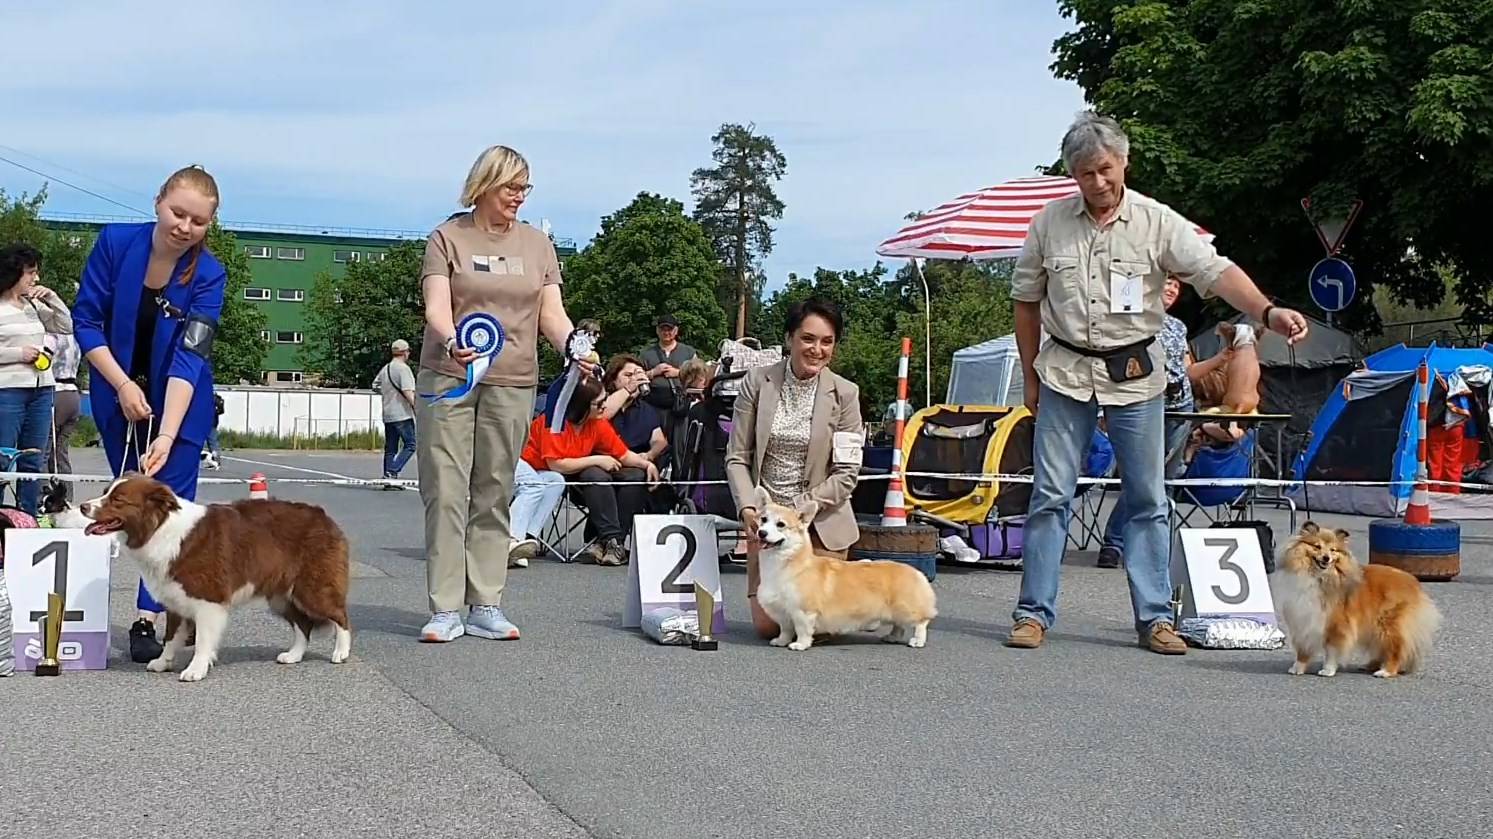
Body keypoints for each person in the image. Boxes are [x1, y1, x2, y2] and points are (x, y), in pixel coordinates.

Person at [1005, 111, 1309, 655]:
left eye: (1104, 169)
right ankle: (1032, 614)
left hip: (1137, 378)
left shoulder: (1158, 221)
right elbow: (1026, 302)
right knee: (1050, 496)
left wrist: (1266, 311)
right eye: (1083, 174)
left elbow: (1216, 272)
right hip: (1063, 373)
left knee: (1147, 497)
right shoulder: (1047, 223)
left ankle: (1154, 618)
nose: (1096, 183)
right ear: (1071, 175)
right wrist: (1030, 377)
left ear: (1123, 161)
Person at [415, 144, 586, 643]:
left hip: (513, 381)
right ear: (485, 184)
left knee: (494, 488)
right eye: (512, 187)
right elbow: (436, 305)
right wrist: (451, 341)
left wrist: (576, 349)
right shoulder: (447, 238)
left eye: (524, 188)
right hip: (449, 376)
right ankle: (445, 608)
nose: (519, 196)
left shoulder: (538, 246)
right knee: (446, 489)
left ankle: (486, 601)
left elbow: (551, 314)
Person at [71, 164, 227, 664]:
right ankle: (154, 605)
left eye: (198, 221)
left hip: (181, 402)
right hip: (115, 391)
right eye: (177, 212)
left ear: (210, 224)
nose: (184, 227)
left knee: (171, 510)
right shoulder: (116, 243)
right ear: (158, 201)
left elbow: (190, 354)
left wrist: (167, 432)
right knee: (128, 503)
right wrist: (120, 385)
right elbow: (86, 321)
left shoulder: (209, 274)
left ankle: (151, 616)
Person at [725, 297, 865, 639]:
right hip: (769, 524)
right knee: (768, 626)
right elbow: (737, 457)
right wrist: (747, 508)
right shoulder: (756, 383)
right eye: (808, 338)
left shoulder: (846, 393)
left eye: (826, 341)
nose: (817, 349)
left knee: (820, 627)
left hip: (820, 523)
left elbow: (847, 473)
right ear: (789, 339)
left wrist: (801, 511)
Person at [1096, 274, 1193, 569]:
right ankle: (1114, 542)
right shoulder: (1135, 320)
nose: (1172, 289)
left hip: (1181, 406)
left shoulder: (1179, 327)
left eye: (1177, 286)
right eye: (1167, 283)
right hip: (1146, 403)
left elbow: (1190, 370)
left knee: (1166, 479)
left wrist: (1226, 357)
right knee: (1142, 477)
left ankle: (1154, 546)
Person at [525, 376, 660, 566]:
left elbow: (622, 454)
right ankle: (610, 539)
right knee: (595, 473)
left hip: (584, 477)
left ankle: (614, 543)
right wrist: (597, 459)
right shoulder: (553, 422)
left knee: (635, 475)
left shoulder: (597, 422)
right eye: (599, 403)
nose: (605, 407)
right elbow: (556, 464)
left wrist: (647, 464)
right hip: (552, 476)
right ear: (581, 406)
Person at [0, 244, 73, 513]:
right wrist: (18, 353)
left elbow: (66, 326)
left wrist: (52, 298)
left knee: (33, 459)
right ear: (13, 274)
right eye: (31, 273)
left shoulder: (34, 305)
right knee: (2, 459)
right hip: (8, 390)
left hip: (42, 389)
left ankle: (26, 517)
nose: (36, 279)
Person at [45, 330, 83, 499]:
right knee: (61, 452)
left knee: (44, 451)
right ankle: (67, 498)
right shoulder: (73, 337)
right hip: (73, 393)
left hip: (56, 392)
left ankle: (42, 499)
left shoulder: (49, 336)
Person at [375, 338, 417, 482]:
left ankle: (388, 476)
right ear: (405, 352)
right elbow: (408, 391)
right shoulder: (403, 369)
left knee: (391, 447)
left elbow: (375, 385)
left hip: (388, 412)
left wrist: (387, 394)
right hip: (402, 413)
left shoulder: (385, 368)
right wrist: (416, 407)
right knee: (411, 444)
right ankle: (393, 471)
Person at [641, 314, 696, 416]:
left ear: (676, 331)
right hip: (653, 405)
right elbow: (636, 378)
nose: (666, 332)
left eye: (669, 329)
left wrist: (679, 373)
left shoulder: (689, 352)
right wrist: (653, 372)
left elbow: (699, 378)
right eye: (663, 329)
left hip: (680, 405)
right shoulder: (646, 354)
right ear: (657, 331)